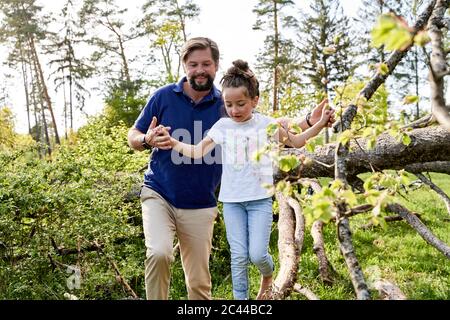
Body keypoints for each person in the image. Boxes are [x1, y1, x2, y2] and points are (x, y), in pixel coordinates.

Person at [165, 60, 335, 300]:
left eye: (241, 104)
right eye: (229, 104)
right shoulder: (223, 126)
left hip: (260, 201)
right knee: (238, 256)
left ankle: (268, 274)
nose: (234, 110)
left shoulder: (267, 124)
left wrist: (319, 123)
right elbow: (196, 151)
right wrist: (172, 142)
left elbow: (297, 142)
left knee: (257, 255)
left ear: (254, 100)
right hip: (232, 202)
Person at [127, 37, 224, 300]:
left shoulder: (225, 104)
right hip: (160, 193)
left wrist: (307, 123)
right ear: (184, 65)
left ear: (216, 66)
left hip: (201, 201)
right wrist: (146, 139)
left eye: (206, 63)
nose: (200, 70)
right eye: (193, 64)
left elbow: (258, 123)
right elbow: (133, 134)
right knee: (159, 253)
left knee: (199, 283)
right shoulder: (163, 97)